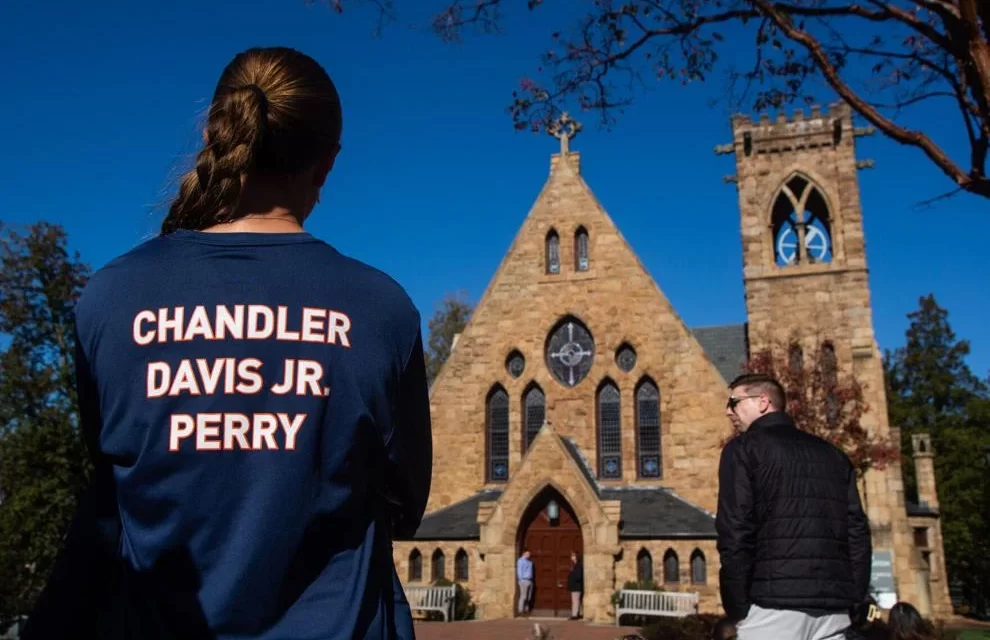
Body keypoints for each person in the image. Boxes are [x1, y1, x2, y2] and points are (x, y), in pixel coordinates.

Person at [21, 46, 432, 640]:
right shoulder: (380, 310)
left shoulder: (110, 298)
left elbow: (113, 481)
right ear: (327, 162)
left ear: (215, 132)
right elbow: (406, 500)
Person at [716, 373, 872, 640]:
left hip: (772, 605)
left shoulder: (743, 449)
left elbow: (736, 530)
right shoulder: (834, 455)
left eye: (733, 402)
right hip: (833, 609)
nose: (727, 411)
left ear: (763, 402)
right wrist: (854, 598)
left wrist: (738, 606)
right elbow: (857, 534)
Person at [567, 551, 583, 620]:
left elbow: (578, 576)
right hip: (574, 586)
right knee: (577, 601)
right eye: (571, 555)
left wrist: (572, 573)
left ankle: (575, 615)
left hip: (577, 586)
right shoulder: (574, 565)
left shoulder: (578, 566)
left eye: (573, 556)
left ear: (576, 557)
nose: (572, 557)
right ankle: (579, 613)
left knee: (575, 601)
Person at [517, 549, 534, 615]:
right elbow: (519, 571)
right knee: (523, 596)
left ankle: (526, 609)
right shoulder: (521, 561)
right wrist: (521, 580)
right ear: (524, 553)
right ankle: (521, 610)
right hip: (524, 580)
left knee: (528, 597)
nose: (529, 555)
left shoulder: (530, 562)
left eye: (529, 554)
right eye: (527, 553)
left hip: (530, 580)